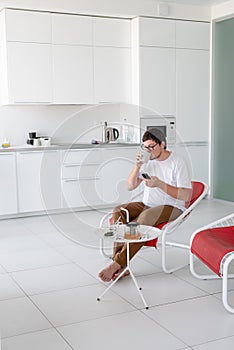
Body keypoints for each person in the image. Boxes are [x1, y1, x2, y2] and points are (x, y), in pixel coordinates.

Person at [98, 128, 192, 282]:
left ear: (162, 144)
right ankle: (122, 265)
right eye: (145, 147)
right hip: (148, 204)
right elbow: (129, 186)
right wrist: (137, 166)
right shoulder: (148, 162)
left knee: (145, 218)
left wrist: (160, 184)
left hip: (172, 207)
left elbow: (186, 195)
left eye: (151, 147)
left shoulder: (177, 162)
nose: (148, 150)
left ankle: (117, 264)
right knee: (119, 211)